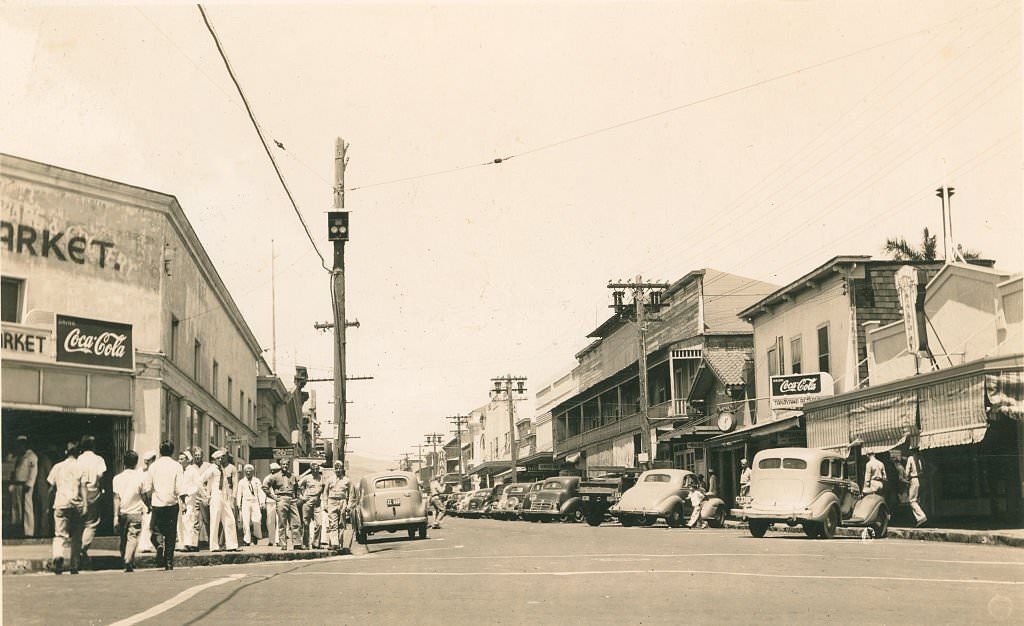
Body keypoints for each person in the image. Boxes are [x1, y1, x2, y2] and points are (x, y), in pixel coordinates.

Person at [47, 443, 86, 575]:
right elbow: (83, 487)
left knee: (59, 534)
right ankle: (74, 564)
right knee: (76, 536)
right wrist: (85, 504)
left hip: (60, 503)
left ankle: (58, 556)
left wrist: (48, 504)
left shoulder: (57, 467)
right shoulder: (81, 467)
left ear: (65, 452)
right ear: (78, 453)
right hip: (75, 504)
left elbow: (51, 487)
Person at [146, 440, 184, 571]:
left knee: (155, 529)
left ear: (160, 451)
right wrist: (183, 503)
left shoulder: (153, 466)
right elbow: (180, 488)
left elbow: (147, 487)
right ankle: (169, 562)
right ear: (172, 451)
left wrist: (147, 503)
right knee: (171, 533)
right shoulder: (177, 466)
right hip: (172, 503)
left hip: (157, 503)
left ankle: (158, 544)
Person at [112, 450, 149, 573]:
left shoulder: (117, 478)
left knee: (123, 539)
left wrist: (115, 516)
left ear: (124, 462)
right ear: (136, 462)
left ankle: (126, 560)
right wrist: (148, 505)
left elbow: (116, 498)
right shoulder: (140, 477)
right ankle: (128, 560)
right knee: (132, 537)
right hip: (136, 512)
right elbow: (144, 495)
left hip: (122, 512)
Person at [76, 435, 107, 566]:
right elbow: (101, 475)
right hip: (93, 492)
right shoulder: (98, 459)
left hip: (79, 492)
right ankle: (83, 548)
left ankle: (78, 548)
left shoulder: (79, 459)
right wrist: (102, 488)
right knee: (92, 523)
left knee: (80, 522)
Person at [206, 450, 239, 552]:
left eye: (221, 458)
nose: (220, 460)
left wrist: (230, 498)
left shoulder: (222, 469)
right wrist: (206, 495)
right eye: (218, 458)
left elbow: (225, 485)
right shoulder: (211, 469)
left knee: (230, 520)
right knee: (215, 521)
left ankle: (231, 545)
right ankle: (214, 546)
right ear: (214, 460)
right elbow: (200, 480)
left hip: (224, 497)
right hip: (215, 496)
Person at [265, 460, 299, 550]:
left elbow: (297, 488)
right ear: (280, 465)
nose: (285, 466)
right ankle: (283, 544)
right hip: (281, 499)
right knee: (282, 523)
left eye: (287, 464)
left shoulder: (292, 476)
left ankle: (297, 543)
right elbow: (265, 486)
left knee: (296, 522)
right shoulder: (275, 476)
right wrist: (273, 497)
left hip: (291, 499)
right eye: (283, 464)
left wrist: (297, 497)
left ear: (289, 465)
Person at [9, 435, 38, 537]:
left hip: (26, 486)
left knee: (27, 508)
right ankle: (17, 529)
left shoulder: (31, 456)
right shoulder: (18, 456)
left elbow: (33, 472)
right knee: (16, 508)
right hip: (17, 485)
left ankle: (29, 532)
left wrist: (29, 484)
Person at [323, 461, 353, 548]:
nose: (338, 470)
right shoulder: (330, 479)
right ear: (334, 469)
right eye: (336, 468)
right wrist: (325, 504)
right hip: (332, 501)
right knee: (333, 523)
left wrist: (349, 505)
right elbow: (325, 492)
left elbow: (351, 494)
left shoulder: (347, 480)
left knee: (341, 523)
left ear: (342, 469)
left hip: (342, 501)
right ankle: (334, 543)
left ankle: (340, 544)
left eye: (340, 468)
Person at [235, 464, 265, 546]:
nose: (248, 473)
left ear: (252, 472)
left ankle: (256, 535)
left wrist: (262, 502)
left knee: (257, 519)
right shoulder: (241, 482)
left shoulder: (257, 481)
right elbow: (239, 494)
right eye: (247, 471)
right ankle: (246, 539)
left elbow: (260, 492)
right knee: (246, 521)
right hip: (245, 502)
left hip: (255, 502)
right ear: (245, 472)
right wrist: (238, 504)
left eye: (250, 471)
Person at [298, 462, 325, 549]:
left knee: (319, 524)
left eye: (317, 469)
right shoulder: (307, 478)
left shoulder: (321, 478)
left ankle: (316, 543)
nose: (316, 470)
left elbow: (325, 488)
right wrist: (301, 497)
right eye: (314, 469)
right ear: (311, 469)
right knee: (306, 524)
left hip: (317, 503)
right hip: (307, 502)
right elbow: (297, 487)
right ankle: (305, 543)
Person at [137, 450, 158, 554]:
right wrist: (148, 503)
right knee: (146, 522)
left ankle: (148, 543)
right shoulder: (142, 472)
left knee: (150, 523)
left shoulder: (155, 471)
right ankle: (145, 544)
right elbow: (142, 489)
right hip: (145, 500)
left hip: (153, 499)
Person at [906, 449, 928, 527]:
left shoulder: (910, 458)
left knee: (912, 500)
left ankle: (921, 517)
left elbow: (907, 471)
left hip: (914, 479)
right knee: (920, 499)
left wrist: (907, 479)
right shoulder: (921, 458)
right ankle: (921, 517)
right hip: (922, 479)